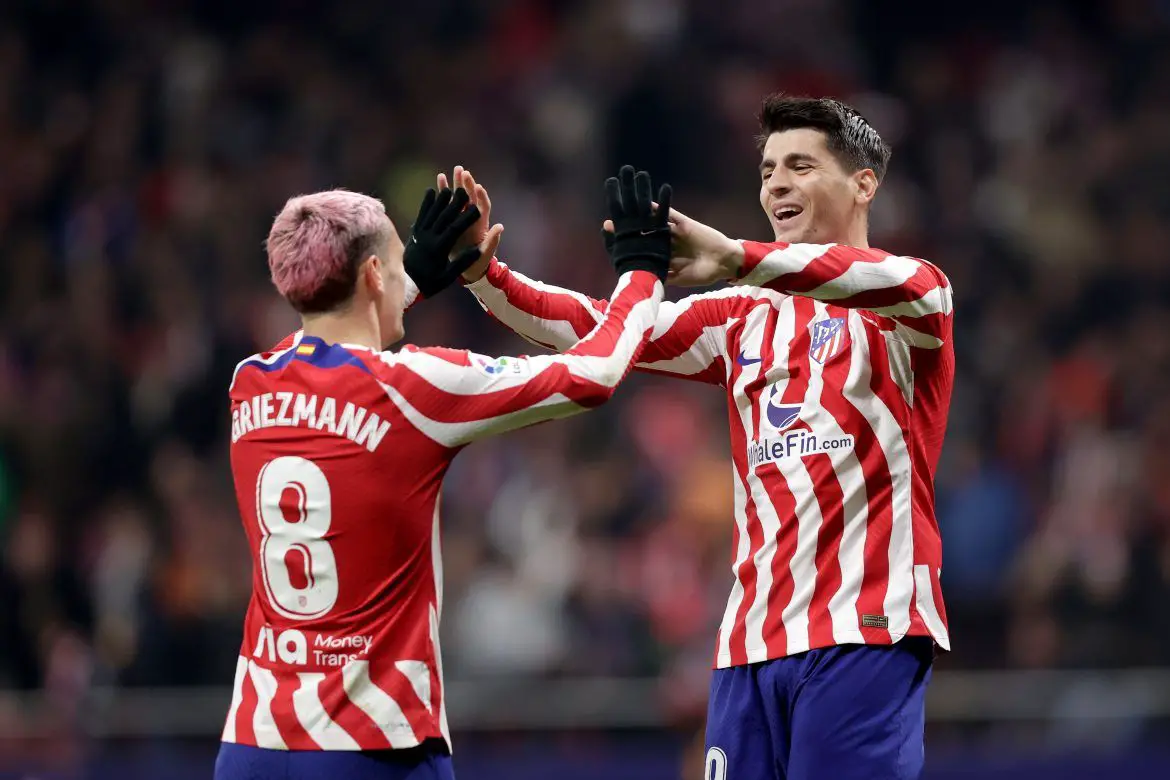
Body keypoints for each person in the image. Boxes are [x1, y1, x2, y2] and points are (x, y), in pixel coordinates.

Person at [458, 94, 954, 780]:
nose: (776, 182)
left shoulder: (913, 303)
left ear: (863, 184)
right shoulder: (742, 316)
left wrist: (734, 257)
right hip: (749, 645)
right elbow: (604, 329)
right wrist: (487, 277)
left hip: (861, 635)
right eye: (767, 168)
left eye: (800, 165)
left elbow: (886, 284)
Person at [215, 170, 672, 780]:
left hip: (253, 744)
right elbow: (594, 375)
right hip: (375, 746)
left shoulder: (249, 384)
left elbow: (327, 345)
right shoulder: (417, 388)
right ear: (374, 276)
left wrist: (409, 286)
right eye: (397, 265)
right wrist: (641, 272)